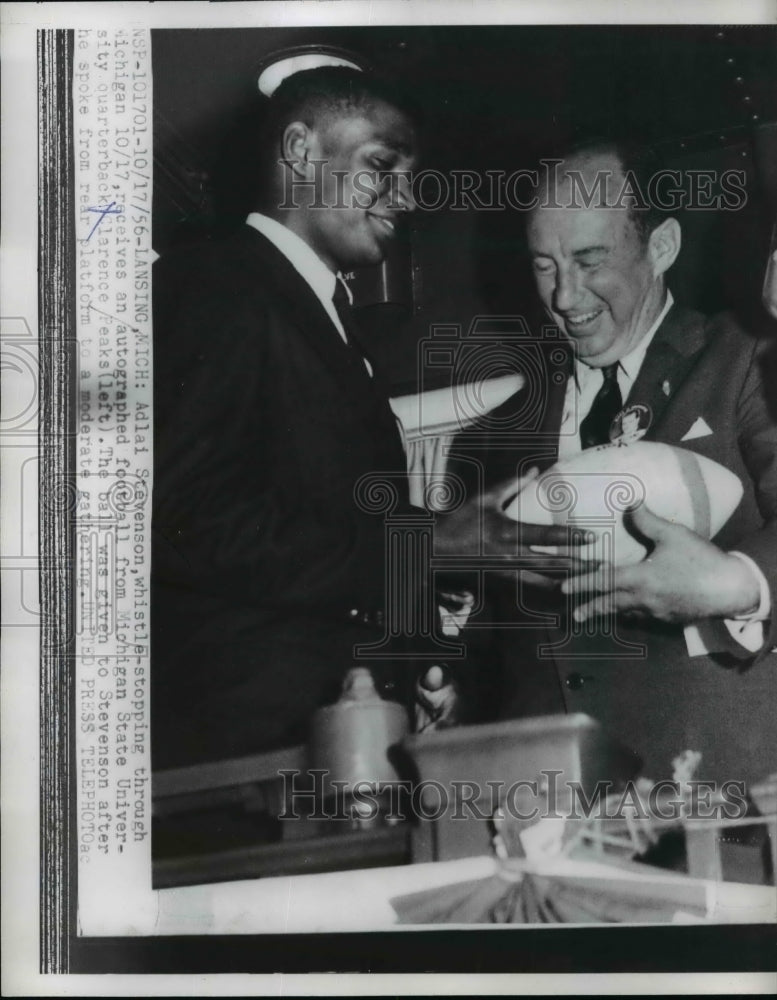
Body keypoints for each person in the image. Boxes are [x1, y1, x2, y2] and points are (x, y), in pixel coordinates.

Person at [150, 65, 581, 770]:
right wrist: (430, 542)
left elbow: (315, 532)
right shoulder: (212, 283)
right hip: (244, 750)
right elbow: (186, 518)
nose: (406, 197)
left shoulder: (326, 320)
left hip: (329, 736)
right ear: (299, 150)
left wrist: (423, 672)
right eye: (382, 165)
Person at [458, 137, 777, 790]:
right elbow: (495, 642)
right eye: (543, 265)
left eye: (588, 260)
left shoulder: (744, 359)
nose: (564, 296)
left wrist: (739, 581)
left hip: (718, 793)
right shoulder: (494, 437)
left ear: (660, 247)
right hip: (546, 805)